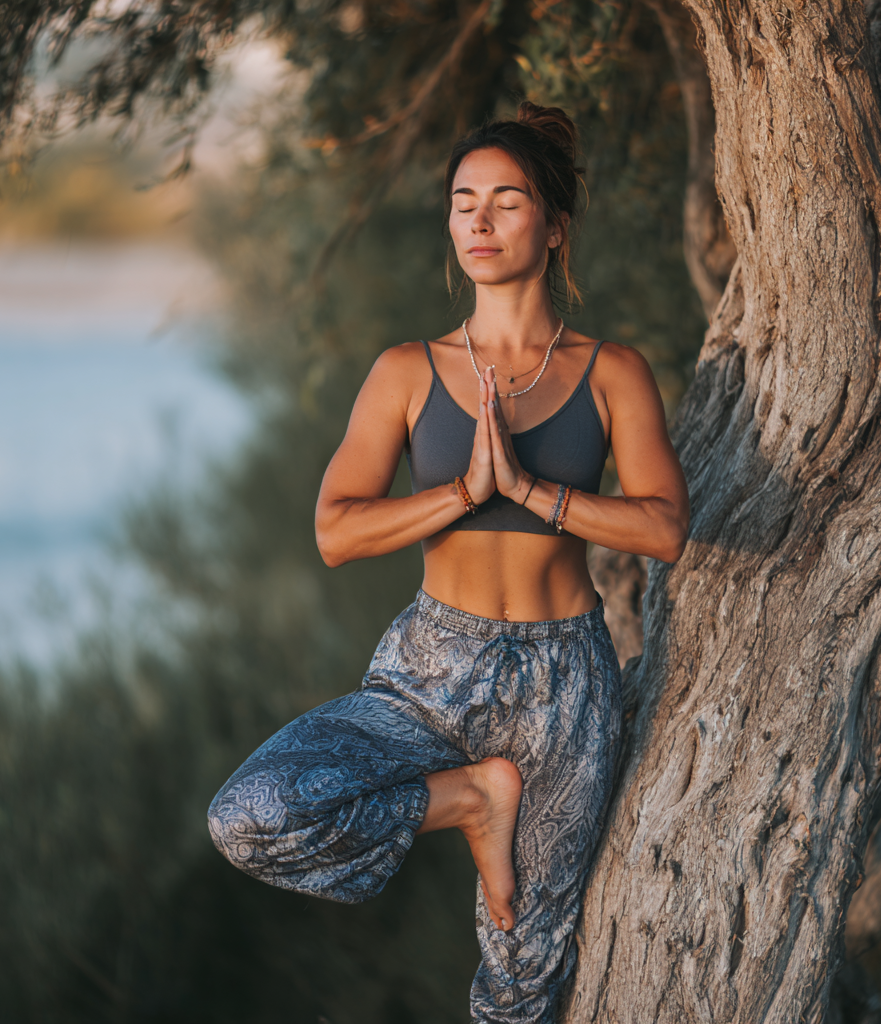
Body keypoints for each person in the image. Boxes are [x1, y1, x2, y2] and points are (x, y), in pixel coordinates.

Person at [208, 101, 689, 1023]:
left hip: (564, 683)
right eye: (464, 200)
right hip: (432, 671)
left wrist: (536, 492)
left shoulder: (612, 370)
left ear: (553, 226)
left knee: (521, 971)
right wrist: (465, 494)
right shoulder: (406, 371)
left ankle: (488, 813)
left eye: (507, 202)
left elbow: (664, 529)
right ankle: (472, 800)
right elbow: (337, 532)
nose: (478, 220)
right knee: (254, 813)